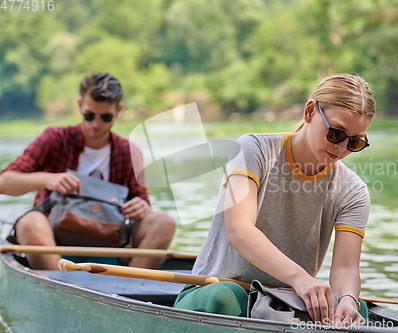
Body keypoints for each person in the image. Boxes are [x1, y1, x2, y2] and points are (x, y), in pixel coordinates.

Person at [174, 74, 375, 326]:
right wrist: (300, 278)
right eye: (335, 133)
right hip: (218, 293)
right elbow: (239, 231)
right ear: (310, 111)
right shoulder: (253, 149)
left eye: (355, 142)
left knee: (359, 312)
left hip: (283, 303)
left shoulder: (353, 190)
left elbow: (345, 269)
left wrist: (347, 299)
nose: (342, 149)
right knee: (227, 297)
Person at [0, 72, 176, 270]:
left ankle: (128, 289)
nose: (96, 124)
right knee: (29, 221)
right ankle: (59, 286)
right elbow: (4, 182)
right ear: (79, 105)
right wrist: (48, 179)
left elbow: (144, 207)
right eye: (89, 115)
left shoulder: (129, 152)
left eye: (106, 117)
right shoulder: (55, 139)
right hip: (54, 240)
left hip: (110, 239)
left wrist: (142, 208)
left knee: (163, 222)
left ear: (119, 110)